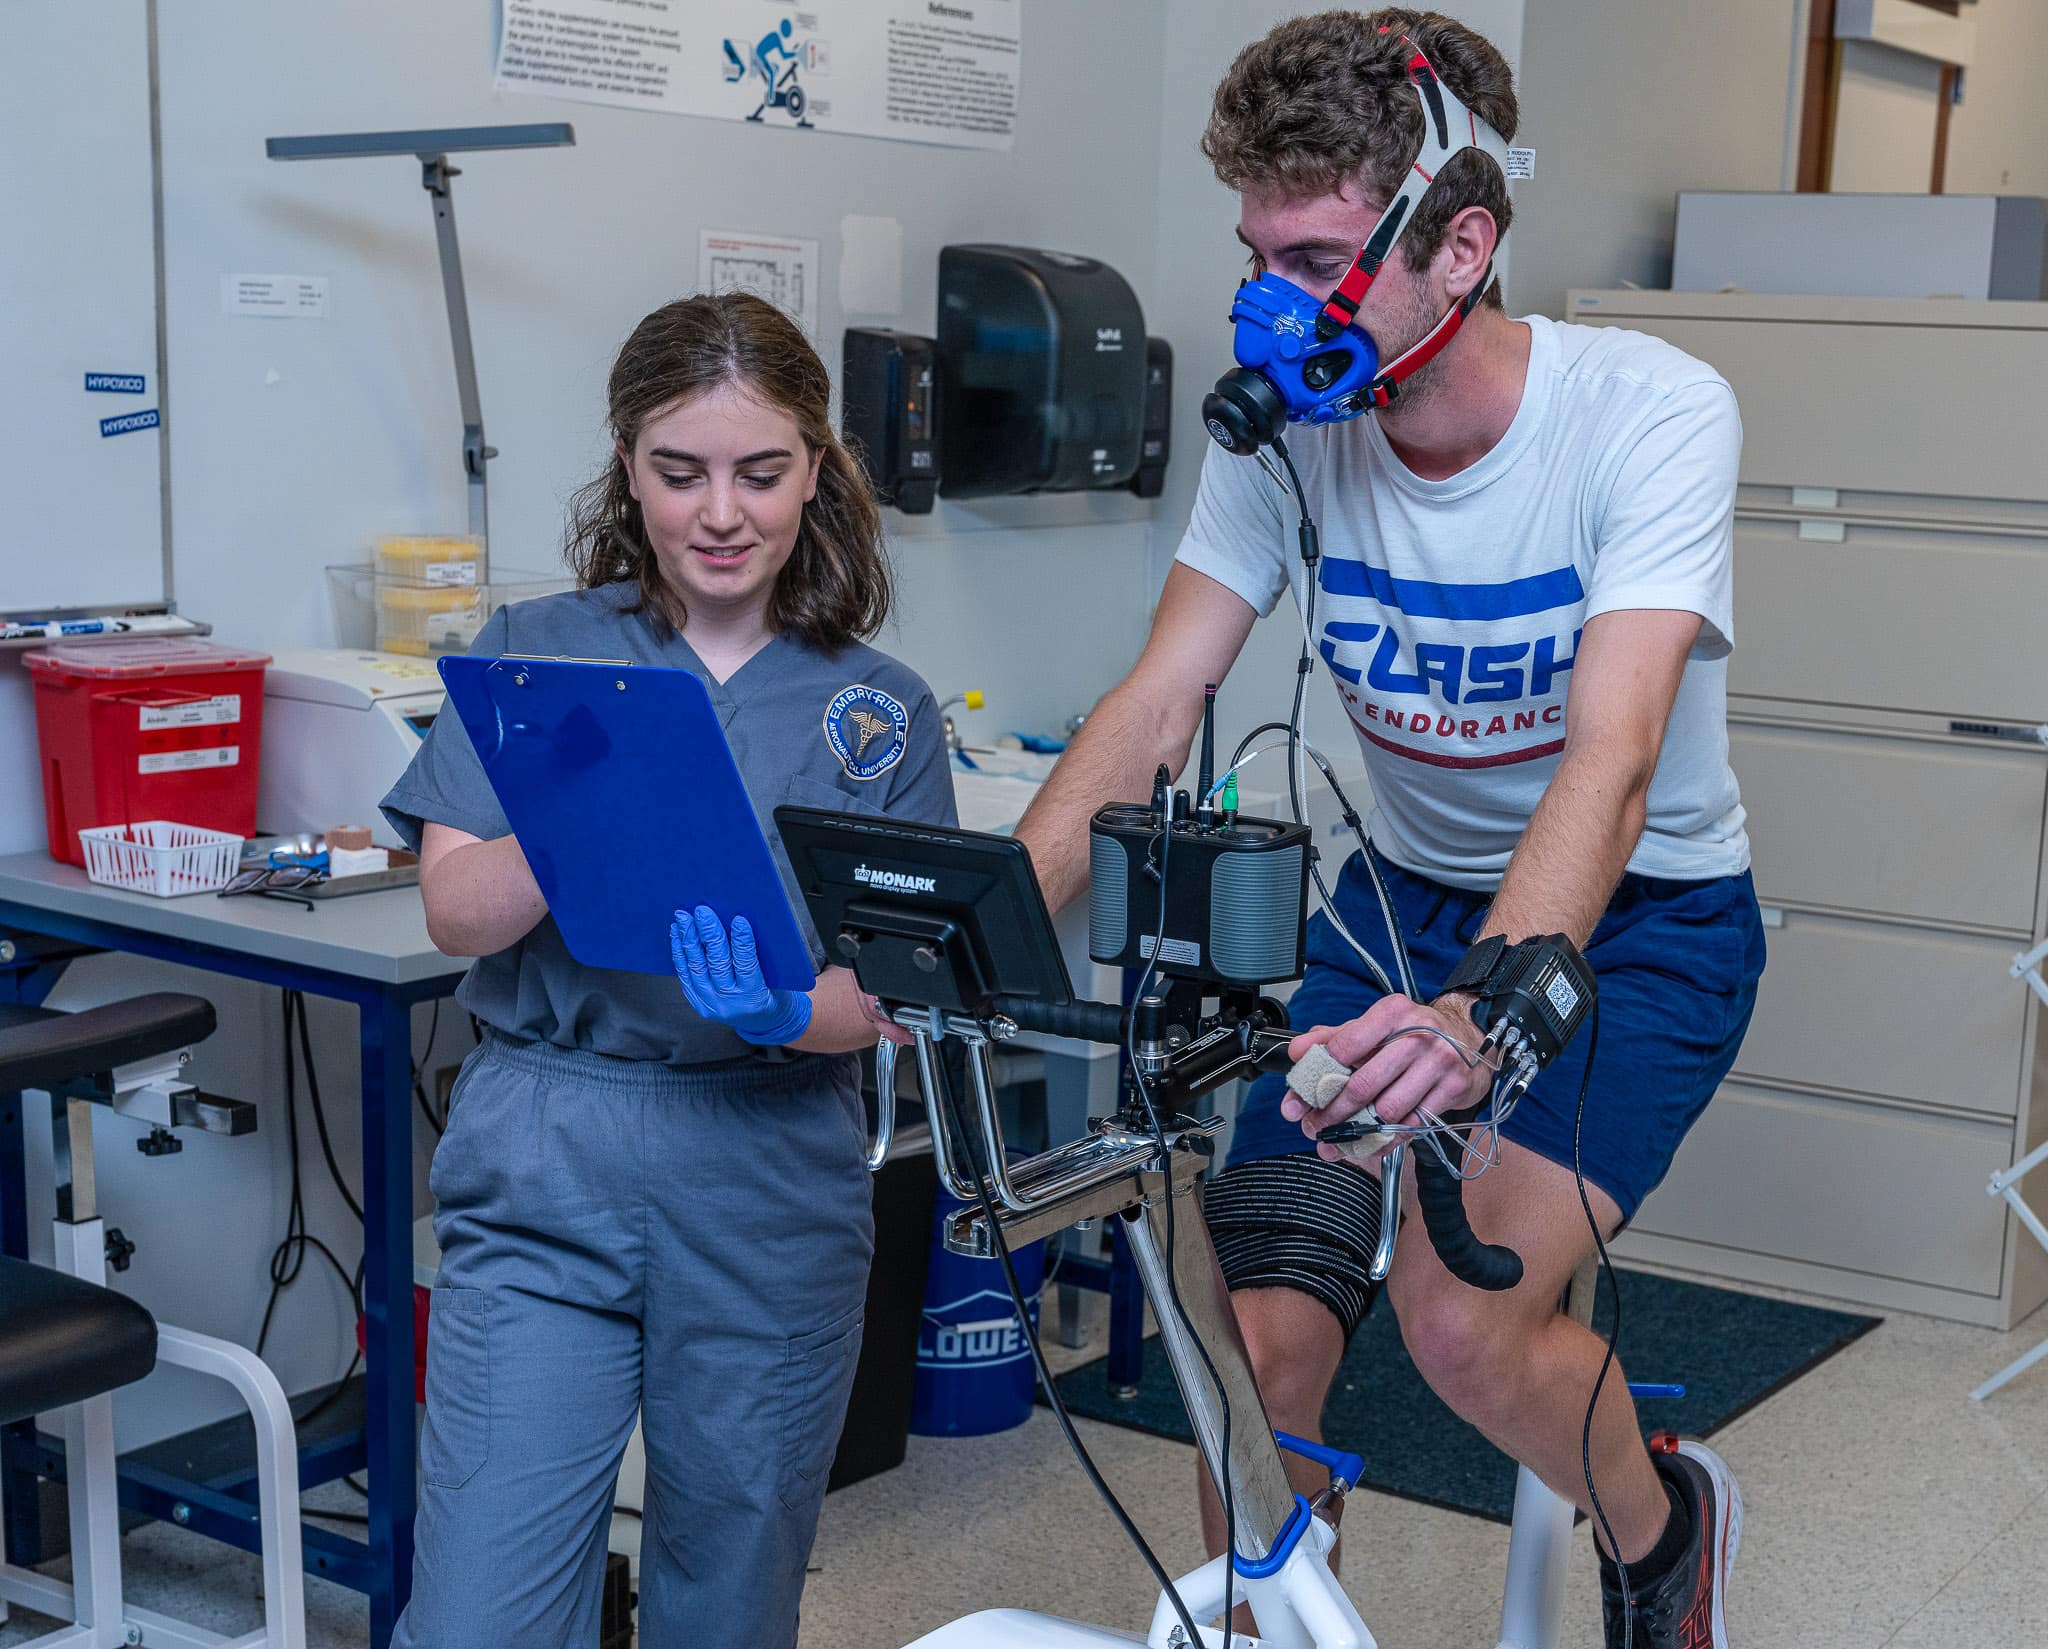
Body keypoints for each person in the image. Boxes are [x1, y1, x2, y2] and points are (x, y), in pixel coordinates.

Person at [1013, 12, 1763, 1648]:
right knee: (1252, 1348)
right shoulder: (1289, 439)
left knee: (1458, 1323)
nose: (1267, 304)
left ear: (1459, 246)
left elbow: (1612, 754)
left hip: (1637, 927)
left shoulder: (1646, 410)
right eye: (1253, 254)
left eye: (1316, 255)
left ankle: (1661, 1532)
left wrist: (1486, 1007)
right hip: (1395, 913)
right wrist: (990, 934)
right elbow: (1152, 708)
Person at [380, 291, 955, 1649]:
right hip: (548, 1152)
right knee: (477, 1615)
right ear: (625, 467)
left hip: (764, 1173)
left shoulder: (878, 712)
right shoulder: (537, 652)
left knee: (726, 1597)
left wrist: (777, 1005)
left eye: (760, 473)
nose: (720, 512)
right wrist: (576, 808)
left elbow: (889, 1000)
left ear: (817, 467)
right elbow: (456, 910)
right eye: (677, 471)